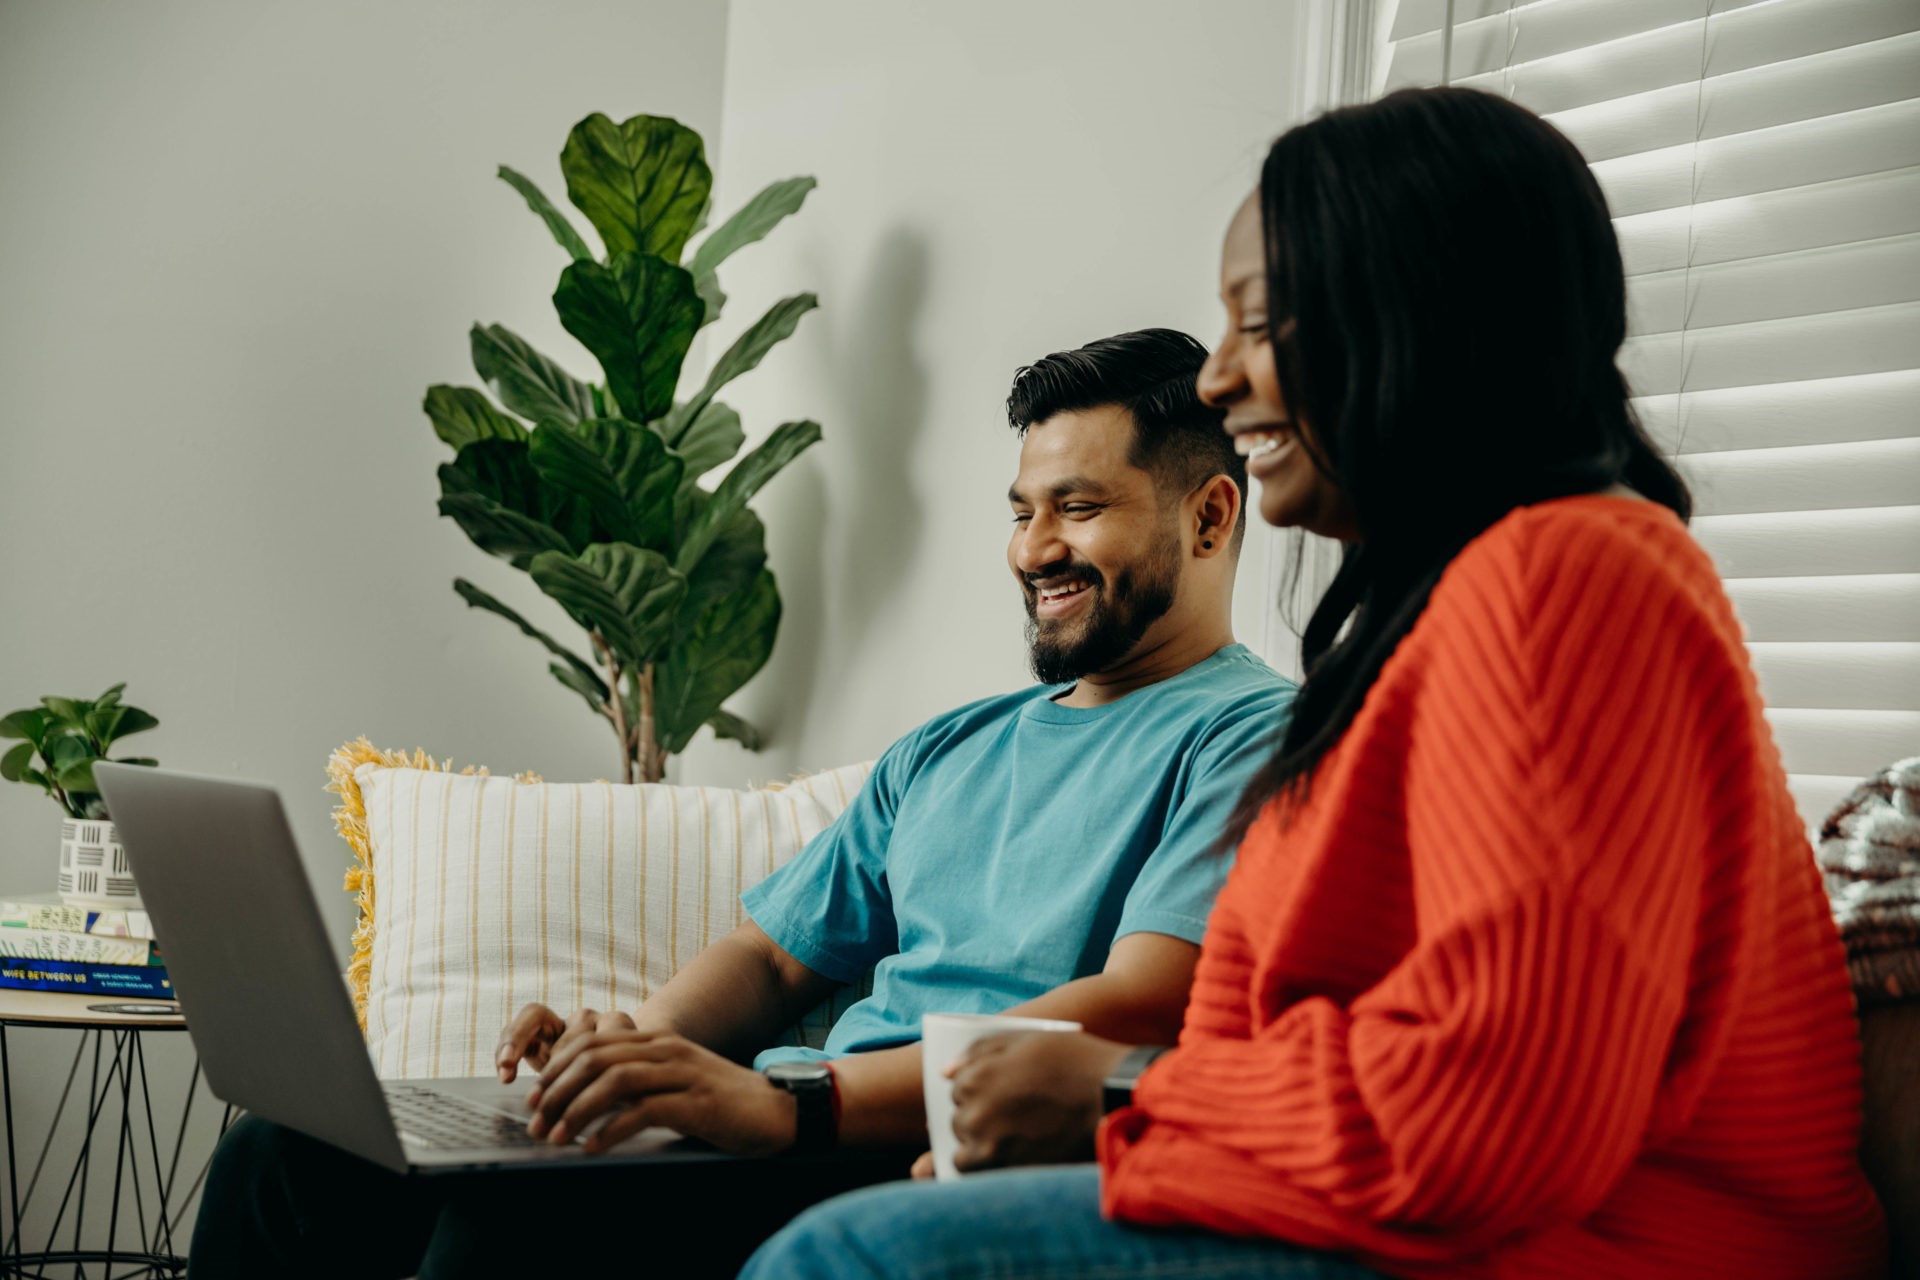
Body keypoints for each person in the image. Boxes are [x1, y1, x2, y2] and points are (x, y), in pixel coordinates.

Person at [742, 87, 1889, 1279]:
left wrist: (1122, 1093)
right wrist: (1118, 1137)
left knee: (857, 1255)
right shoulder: (1420, 637)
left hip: (1616, 1248)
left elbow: (1497, 1115)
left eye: (1262, 323)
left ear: (1422, 314)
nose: (1219, 382)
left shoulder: (1571, 576)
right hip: (1407, 1215)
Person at [186, 327, 1297, 1279]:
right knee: (280, 1160)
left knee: (514, 1225)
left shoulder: (1252, 736)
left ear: (1208, 518)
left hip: (888, 1144)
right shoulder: (954, 746)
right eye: (1021, 510)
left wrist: (794, 1104)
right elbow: (771, 962)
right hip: (771, 1125)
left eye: (1080, 506)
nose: (1034, 547)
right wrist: (622, 1056)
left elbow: (1146, 1003)